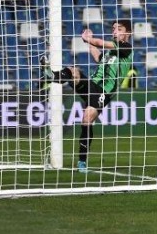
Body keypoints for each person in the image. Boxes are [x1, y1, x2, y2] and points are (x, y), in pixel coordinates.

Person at [43, 21, 133, 172]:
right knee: (74, 72)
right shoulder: (110, 54)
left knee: (86, 119)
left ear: (128, 33)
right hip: (92, 85)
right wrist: (90, 43)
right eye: (113, 29)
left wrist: (89, 39)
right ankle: (52, 75)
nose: (115, 32)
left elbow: (100, 43)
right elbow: (98, 56)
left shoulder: (126, 48)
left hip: (104, 91)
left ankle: (82, 163)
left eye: (119, 29)